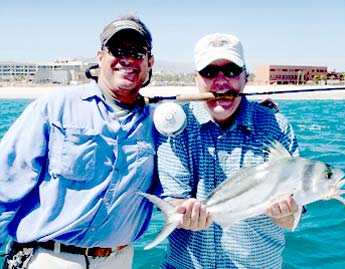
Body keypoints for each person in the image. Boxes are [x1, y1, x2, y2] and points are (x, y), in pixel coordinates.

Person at [0, 15, 156, 269]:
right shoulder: (55, 107)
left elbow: (172, 192)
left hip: (118, 260)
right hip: (50, 258)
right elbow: (5, 185)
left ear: (150, 62)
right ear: (100, 57)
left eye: (137, 52)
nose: (127, 59)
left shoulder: (156, 123)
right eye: (117, 50)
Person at [156, 33, 300, 269]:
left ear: (245, 77)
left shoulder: (277, 126)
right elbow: (174, 202)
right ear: (196, 79)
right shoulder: (177, 128)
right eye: (210, 72)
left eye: (231, 71)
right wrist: (183, 214)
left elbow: (293, 217)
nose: (221, 81)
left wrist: (286, 215)